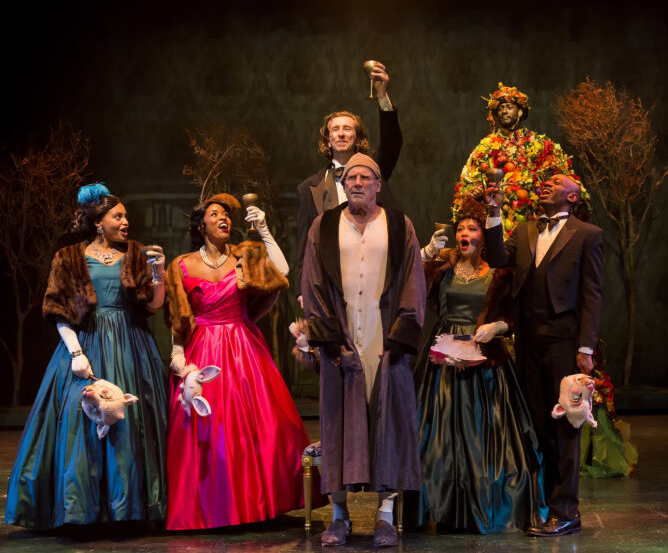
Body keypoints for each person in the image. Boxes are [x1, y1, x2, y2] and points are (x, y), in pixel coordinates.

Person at [5, 183, 168, 528]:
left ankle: (130, 510)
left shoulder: (136, 253)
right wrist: (76, 352)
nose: (126, 221)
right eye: (118, 215)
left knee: (131, 424)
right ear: (98, 221)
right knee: (80, 421)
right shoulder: (68, 257)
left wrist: (158, 274)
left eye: (126, 216)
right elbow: (57, 311)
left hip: (130, 346)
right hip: (86, 344)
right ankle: (83, 509)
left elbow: (153, 305)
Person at [163, 193, 317, 530]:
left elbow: (283, 271)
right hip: (202, 352)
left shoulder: (243, 255)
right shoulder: (182, 264)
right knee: (209, 430)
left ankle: (257, 504)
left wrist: (262, 228)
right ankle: (211, 507)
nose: (224, 218)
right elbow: (180, 317)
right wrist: (177, 353)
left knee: (258, 425)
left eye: (227, 215)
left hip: (243, 348)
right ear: (200, 223)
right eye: (215, 214)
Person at [301, 153, 425, 547]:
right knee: (338, 422)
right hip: (342, 340)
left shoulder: (398, 224)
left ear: (377, 184)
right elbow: (313, 285)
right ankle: (339, 516)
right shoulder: (324, 226)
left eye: (364, 177)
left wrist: (399, 338)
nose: (356, 182)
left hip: (383, 337)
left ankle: (385, 515)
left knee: (389, 420)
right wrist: (332, 342)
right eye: (350, 177)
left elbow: (412, 282)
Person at [414, 196, 547, 533]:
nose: (465, 233)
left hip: (484, 363)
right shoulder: (442, 268)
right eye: (461, 228)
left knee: (485, 436)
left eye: (472, 229)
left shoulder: (499, 274)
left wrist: (495, 328)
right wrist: (429, 252)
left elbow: (510, 320)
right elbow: (408, 277)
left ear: (482, 237)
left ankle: (484, 506)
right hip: (443, 361)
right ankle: (440, 506)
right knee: (437, 437)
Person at [484, 174, 604, 536]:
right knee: (539, 425)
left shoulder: (587, 234)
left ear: (572, 195)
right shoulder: (525, 231)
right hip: (529, 342)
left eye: (555, 181)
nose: (545, 183)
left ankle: (566, 511)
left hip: (565, 342)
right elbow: (496, 257)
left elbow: (593, 293)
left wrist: (586, 347)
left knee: (566, 425)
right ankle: (549, 506)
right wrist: (493, 211)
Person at [296, 61, 402, 304]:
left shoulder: (375, 171)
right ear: (328, 139)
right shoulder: (308, 188)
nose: (341, 134)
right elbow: (304, 245)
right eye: (335, 130)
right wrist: (302, 290)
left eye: (347, 129)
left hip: (375, 277)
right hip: (329, 284)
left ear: (358, 138)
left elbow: (393, 142)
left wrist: (383, 97)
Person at [452, 83, 589, 234]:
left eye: (509, 107)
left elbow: (562, 178)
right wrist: (474, 191)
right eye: (500, 108)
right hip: (498, 220)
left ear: (520, 111)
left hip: (535, 221)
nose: (504, 111)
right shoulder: (485, 148)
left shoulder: (540, 144)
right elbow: (468, 182)